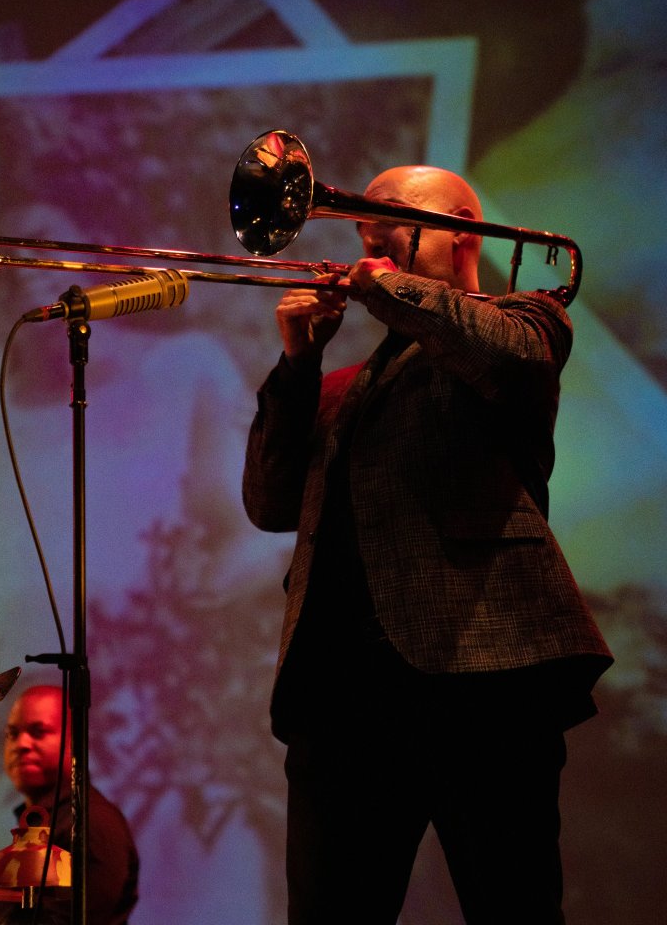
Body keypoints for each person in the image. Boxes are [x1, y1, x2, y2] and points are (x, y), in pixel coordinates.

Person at [242, 163, 613, 924]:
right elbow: (270, 505)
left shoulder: (531, 318)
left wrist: (383, 283)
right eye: (363, 224)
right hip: (340, 697)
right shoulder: (346, 388)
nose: (369, 238)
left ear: (466, 231)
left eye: (393, 221)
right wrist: (298, 365)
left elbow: (503, 356)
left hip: (482, 674)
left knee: (512, 905)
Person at [0, 684, 139, 925]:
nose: (21, 744)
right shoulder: (42, 825)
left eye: (38, 732)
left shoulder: (90, 824)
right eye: (12, 734)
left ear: (75, 742)